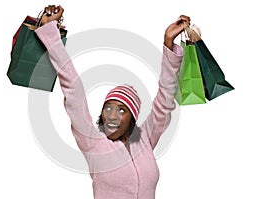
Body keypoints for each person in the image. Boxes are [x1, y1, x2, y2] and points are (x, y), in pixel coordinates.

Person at [36, 4, 190, 199]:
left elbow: (165, 99)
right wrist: (51, 35)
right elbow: (74, 91)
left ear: (132, 119)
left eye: (121, 110)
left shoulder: (145, 141)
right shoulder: (94, 143)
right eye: (108, 107)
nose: (111, 115)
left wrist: (169, 43)